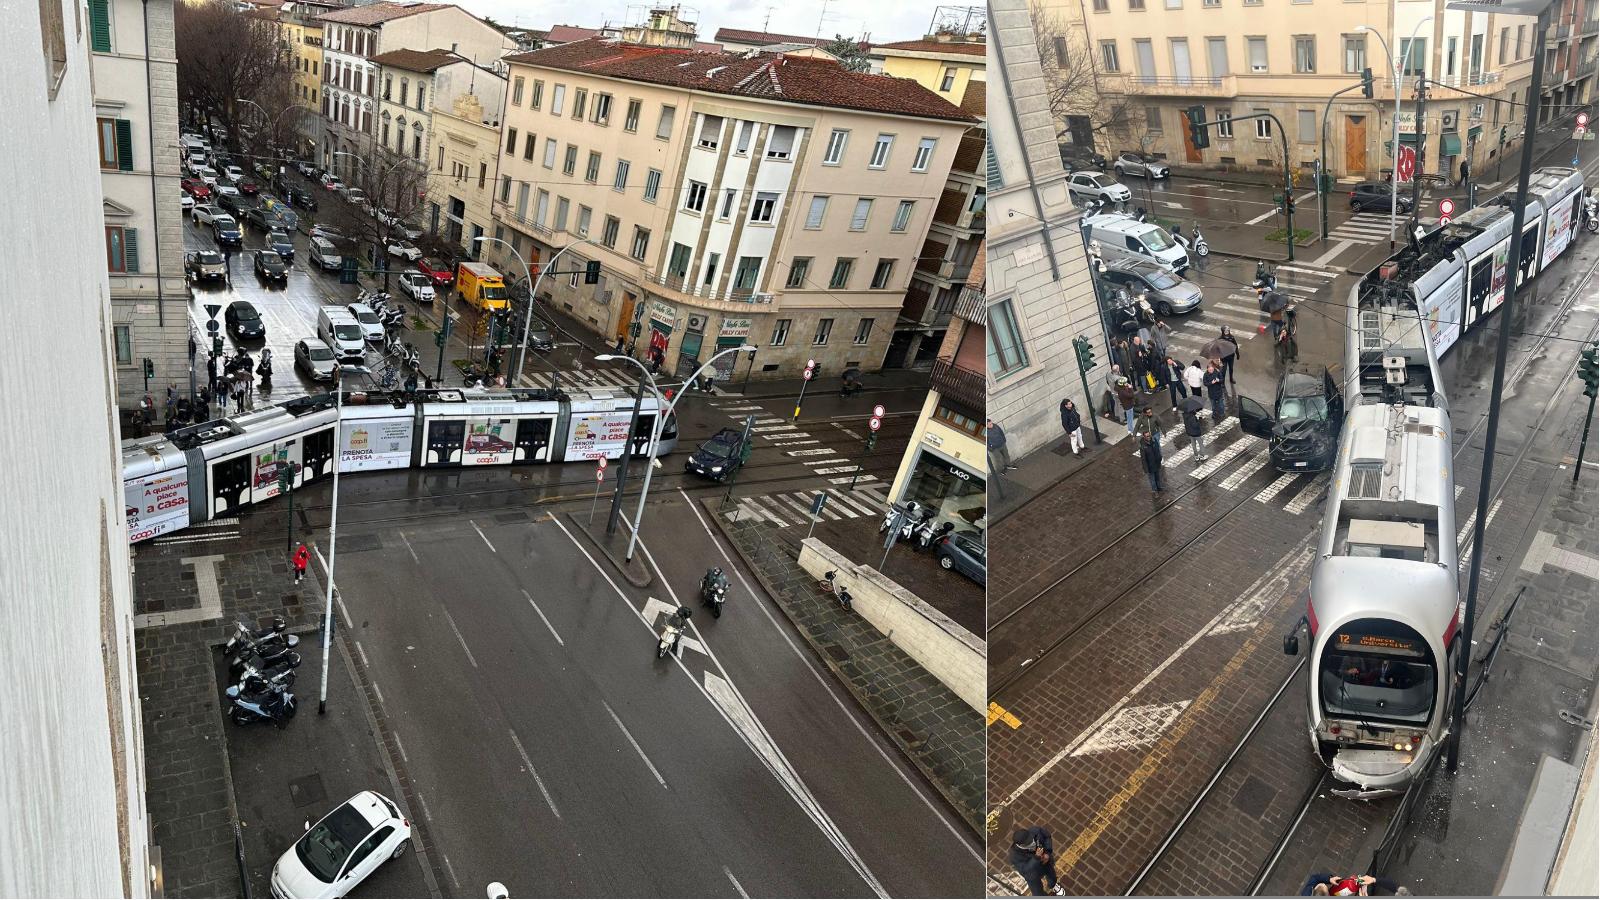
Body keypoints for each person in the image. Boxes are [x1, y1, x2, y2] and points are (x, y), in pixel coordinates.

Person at [1007, 827, 1065, 896]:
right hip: (1032, 874)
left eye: (1031, 838)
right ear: (1020, 845)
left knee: (1051, 875)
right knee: (1037, 892)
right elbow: (1025, 869)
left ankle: (1053, 885)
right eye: (1029, 842)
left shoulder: (1036, 831)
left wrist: (1047, 852)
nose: (1032, 841)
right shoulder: (1014, 855)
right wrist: (1036, 857)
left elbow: (1047, 836)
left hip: (1045, 862)